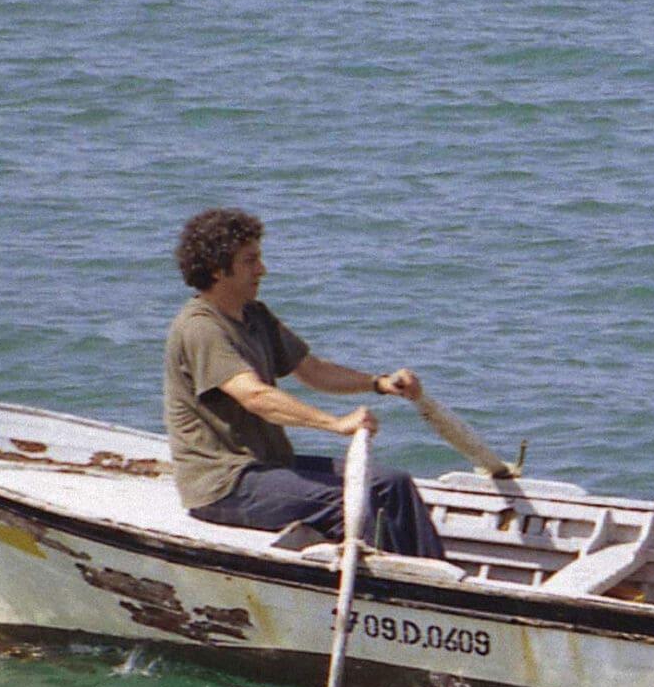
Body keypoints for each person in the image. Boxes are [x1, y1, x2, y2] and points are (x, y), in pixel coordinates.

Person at [162, 207, 446, 559]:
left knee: (393, 485)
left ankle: (436, 580)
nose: (262, 270)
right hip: (226, 483)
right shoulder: (201, 328)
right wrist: (335, 424)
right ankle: (386, 596)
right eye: (251, 261)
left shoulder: (254, 315)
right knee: (357, 504)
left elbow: (311, 369)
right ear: (219, 270)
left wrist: (378, 383)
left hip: (270, 465)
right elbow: (254, 396)